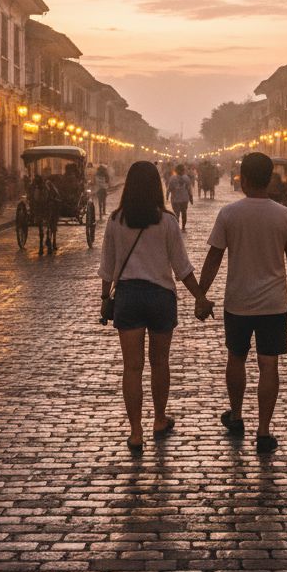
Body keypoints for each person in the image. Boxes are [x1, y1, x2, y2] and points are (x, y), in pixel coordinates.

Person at [98, 161, 213, 456]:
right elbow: (182, 268)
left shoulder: (115, 220)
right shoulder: (167, 221)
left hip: (128, 297)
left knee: (132, 367)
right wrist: (199, 296)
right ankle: (159, 419)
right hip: (160, 297)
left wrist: (104, 301)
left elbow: (108, 269)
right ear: (156, 187)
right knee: (160, 363)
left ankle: (135, 432)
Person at [198, 152, 287, 456]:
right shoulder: (284, 215)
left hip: (238, 302)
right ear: (270, 179)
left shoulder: (230, 214)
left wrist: (201, 294)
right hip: (274, 303)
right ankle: (264, 431)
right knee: (269, 364)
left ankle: (236, 416)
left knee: (236, 358)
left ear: (242, 179)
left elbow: (214, 257)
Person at [166, 163, 193, 230]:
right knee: (184, 213)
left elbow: (169, 188)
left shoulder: (172, 178)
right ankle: (183, 227)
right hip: (184, 199)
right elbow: (189, 189)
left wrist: (167, 196)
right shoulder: (186, 178)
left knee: (176, 214)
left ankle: (177, 227)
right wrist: (191, 198)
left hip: (175, 199)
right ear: (183, 170)